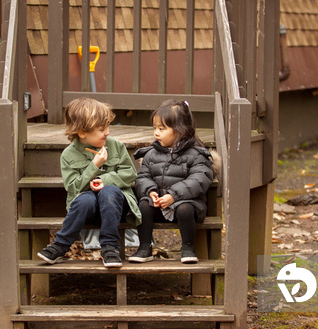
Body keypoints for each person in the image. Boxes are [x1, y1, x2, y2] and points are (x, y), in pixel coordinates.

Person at [37, 98, 141, 268]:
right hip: (87, 209)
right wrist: (94, 166)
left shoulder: (116, 146)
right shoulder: (68, 155)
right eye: (101, 129)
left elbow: (130, 174)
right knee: (85, 199)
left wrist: (104, 180)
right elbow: (72, 187)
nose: (107, 132)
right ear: (82, 132)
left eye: (107, 127)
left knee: (109, 192)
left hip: (116, 207)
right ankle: (60, 245)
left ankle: (110, 247)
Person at [129, 100, 215, 264]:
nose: (156, 133)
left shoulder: (196, 155)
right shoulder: (151, 155)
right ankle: (144, 247)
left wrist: (174, 195)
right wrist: (150, 192)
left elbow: (199, 179)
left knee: (185, 208)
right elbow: (142, 177)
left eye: (162, 129)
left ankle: (188, 248)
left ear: (180, 131)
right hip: (159, 204)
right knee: (144, 205)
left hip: (186, 204)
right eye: (155, 128)